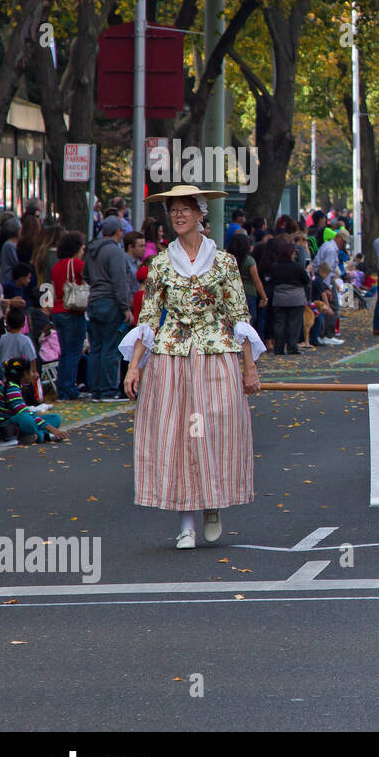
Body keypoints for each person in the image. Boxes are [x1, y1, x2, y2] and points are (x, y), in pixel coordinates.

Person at [121, 184, 265, 550]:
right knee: (177, 436)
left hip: (216, 356)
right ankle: (186, 521)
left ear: (202, 214)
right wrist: (134, 366)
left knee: (211, 432)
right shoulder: (159, 264)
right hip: (172, 358)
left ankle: (212, 503)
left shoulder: (225, 263)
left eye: (186, 209)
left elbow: (239, 317)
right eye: (173, 210)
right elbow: (149, 319)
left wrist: (250, 368)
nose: (179, 215)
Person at [83, 215, 135, 402]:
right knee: (111, 348)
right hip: (111, 302)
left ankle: (96, 389)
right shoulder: (115, 253)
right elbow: (120, 282)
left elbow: (86, 275)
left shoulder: (91, 250)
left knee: (96, 347)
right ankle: (108, 390)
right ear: (118, 231)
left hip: (94, 301)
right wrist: (125, 307)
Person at [49, 230, 88, 401]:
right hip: (73, 311)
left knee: (65, 352)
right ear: (77, 247)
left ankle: (62, 388)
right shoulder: (77, 264)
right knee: (74, 351)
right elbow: (89, 277)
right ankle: (69, 388)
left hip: (57, 310)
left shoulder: (56, 266)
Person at [0, 357, 64, 444]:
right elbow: (24, 413)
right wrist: (52, 429)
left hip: (19, 419)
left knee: (55, 418)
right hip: (8, 424)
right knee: (26, 419)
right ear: (24, 374)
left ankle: (32, 436)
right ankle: (43, 436)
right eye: (31, 371)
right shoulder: (12, 389)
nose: (32, 374)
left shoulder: (17, 386)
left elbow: (25, 411)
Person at [269, 239, 311, 354]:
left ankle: (278, 348)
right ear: (290, 253)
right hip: (296, 298)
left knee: (279, 324)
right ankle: (292, 347)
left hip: (279, 298)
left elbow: (272, 281)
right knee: (294, 324)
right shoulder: (297, 267)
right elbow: (306, 280)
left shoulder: (275, 267)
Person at [227, 231, 267, 331]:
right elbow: (256, 280)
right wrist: (263, 297)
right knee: (248, 322)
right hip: (248, 293)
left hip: (230, 291)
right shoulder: (249, 261)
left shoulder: (227, 258)